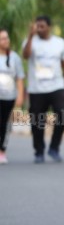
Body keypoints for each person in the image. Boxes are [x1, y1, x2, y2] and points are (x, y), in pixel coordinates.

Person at [22, 15, 64, 163]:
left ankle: (54, 148)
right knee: (37, 121)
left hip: (57, 86)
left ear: (49, 27)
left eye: (42, 26)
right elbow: (25, 55)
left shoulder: (59, 43)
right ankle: (39, 151)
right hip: (36, 89)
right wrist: (30, 37)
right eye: (37, 26)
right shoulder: (30, 41)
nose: (39, 29)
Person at [0, 29, 26, 165]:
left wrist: (20, 96)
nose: (6, 41)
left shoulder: (14, 57)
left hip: (9, 97)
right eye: (3, 38)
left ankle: (2, 151)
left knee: (5, 124)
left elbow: (20, 78)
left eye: (7, 38)